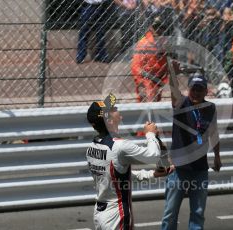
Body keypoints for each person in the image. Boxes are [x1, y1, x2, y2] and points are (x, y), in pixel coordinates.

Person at [86, 93, 168, 229]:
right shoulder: (119, 146)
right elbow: (153, 155)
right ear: (109, 121)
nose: (119, 113)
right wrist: (150, 133)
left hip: (100, 213)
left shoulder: (92, 148)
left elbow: (115, 178)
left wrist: (150, 174)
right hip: (116, 215)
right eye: (114, 109)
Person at [161, 70, 222, 230]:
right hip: (178, 169)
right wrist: (172, 71)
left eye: (199, 89)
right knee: (170, 213)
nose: (196, 92)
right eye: (193, 88)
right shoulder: (181, 104)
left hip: (200, 168)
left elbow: (213, 132)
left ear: (206, 91)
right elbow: (174, 92)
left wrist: (217, 156)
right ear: (188, 89)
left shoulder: (210, 107)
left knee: (198, 212)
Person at [131, 12, 173, 102]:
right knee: (149, 98)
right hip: (144, 77)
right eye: (156, 27)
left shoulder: (165, 42)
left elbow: (166, 63)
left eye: (161, 27)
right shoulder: (143, 43)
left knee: (156, 102)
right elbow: (136, 67)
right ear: (150, 28)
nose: (159, 30)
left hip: (158, 77)